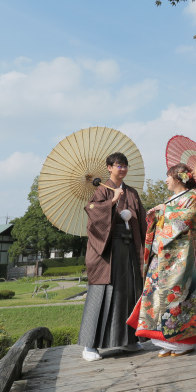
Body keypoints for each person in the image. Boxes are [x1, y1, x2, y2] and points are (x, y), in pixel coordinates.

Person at [127, 162, 196, 357]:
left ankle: (182, 342)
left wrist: (167, 211)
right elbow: (162, 225)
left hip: (179, 257)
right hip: (162, 254)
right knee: (155, 293)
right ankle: (164, 340)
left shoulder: (191, 197)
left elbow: (192, 217)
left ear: (179, 178)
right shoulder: (172, 198)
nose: (166, 180)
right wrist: (156, 216)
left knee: (177, 296)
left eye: (168, 176)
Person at [78, 152, 146, 362]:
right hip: (107, 252)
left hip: (128, 250)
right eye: (118, 165)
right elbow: (92, 213)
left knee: (128, 293)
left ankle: (128, 341)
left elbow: (143, 220)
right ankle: (90, 346)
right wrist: (112, 204)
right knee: (102, 293)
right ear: (109, 168)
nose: (122, 168)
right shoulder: (101, 190)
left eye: (125, 165)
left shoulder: (132, 192)